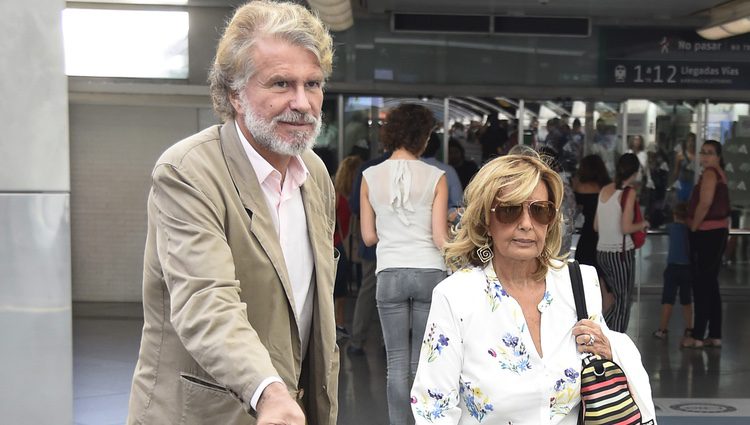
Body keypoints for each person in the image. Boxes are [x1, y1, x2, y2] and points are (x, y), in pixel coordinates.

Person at [127, 2, 339, 425]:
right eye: (281, 83)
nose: (302, 103)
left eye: (312, 84)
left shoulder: (313, 173)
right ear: (234, 95)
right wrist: (269, 391)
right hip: (206, 413)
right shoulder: (188, 171)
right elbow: (206, 300)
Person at [410, 154, 656, 424]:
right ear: (485, 221)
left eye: (540, 210)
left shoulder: (580, 284)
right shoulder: (456, 297)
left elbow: (603, 378)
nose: (527, 223)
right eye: (509, 210)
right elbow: (433, 409)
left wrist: (611, 352)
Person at [360, 103, 449, 425]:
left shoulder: (369, 176)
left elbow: (368, 237)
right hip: (430, 273)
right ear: (423, 137)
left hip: (390, 273)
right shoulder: (436, 177)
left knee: (395, 363)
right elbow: (441, 239)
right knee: (423, 361)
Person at [594, 153, 649, 333]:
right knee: (623, 301)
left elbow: (596, 225)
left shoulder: (604, 190)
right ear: (635, 172)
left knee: (614, 300)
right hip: (620, 254)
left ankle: (601, 333)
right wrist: (643, 224)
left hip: (602, 251)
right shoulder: (629, 192)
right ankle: (612, 341)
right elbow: (626, 228)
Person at [684, 140, 730, 348]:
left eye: (710, 153)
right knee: (710, 284)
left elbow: (705, 203)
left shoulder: (711, 173)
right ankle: (715, 333)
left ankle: (698, 335)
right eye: (703, 152)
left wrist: (693, 227)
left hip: (708, 233)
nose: (705, 157)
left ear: (718, 156)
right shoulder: (718, 173)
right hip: (716, 232)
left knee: (702, 284)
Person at [652, 203, 693, 346]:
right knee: (686, 301)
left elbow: (659, 226)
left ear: (675, 215)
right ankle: (689, 328)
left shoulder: (672, 228)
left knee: (668, 300)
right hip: (687, 268)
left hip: (672, 268)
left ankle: (662, 329)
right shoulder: (690, 230)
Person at [333, 155, 363, 340]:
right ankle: (340, 323)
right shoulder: (359, 199)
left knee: (335, 289)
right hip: (351, 245)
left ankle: (335, 325)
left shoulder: (335, 195)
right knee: (342, 290)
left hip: (335, 244)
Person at [573, 154, 611, 270]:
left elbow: (575, 210)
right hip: (606, 233)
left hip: (588, 233)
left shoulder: (579, 187)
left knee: (583, 270)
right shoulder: (608, 188)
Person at [672, 133, 696, 202]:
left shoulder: (698, 156)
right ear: (686, 142)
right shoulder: (680, 155)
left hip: (693, 183)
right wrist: (674, 184)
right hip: (682, 183)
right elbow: (676, 170)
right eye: (689, 141)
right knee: (681, 204)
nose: (691, 143)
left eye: (693, 141)